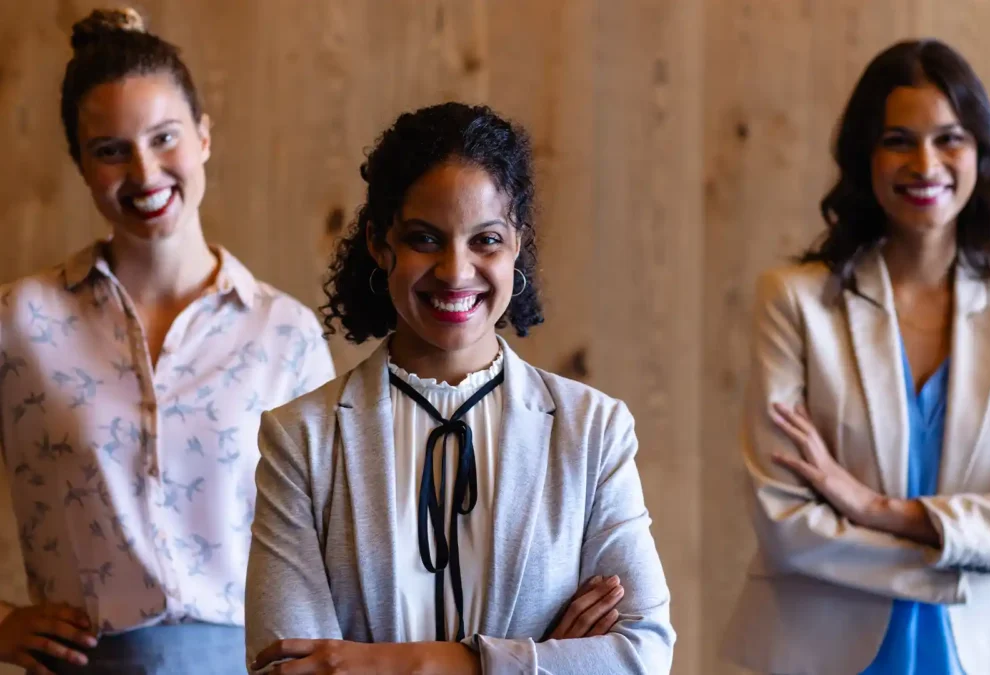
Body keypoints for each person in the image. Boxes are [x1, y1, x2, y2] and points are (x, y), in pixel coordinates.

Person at [245, 102, 674, 675]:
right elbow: (288, 669)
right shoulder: (300, 438)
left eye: (486, 240)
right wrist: (544, 657)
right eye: (425, 238)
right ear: (379, 243)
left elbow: (641, 655)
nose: (455, 271)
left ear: (517, 242)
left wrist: (403, 664)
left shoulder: (593, 431)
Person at [721, 38, 990, 675]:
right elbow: (786, 525)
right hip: (816, 651)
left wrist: (872, 509)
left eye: (949, 138)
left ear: (980, 152)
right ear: (866, 156)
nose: (925, 162)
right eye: (897, 140)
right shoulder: (796, 302)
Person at [0, 8, 335, 673]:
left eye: (164, 137)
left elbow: (340, 553)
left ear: (204, 137)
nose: (145, 171)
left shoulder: (286, 334)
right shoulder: (20, 321)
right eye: (110, 149)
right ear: (81, 165)